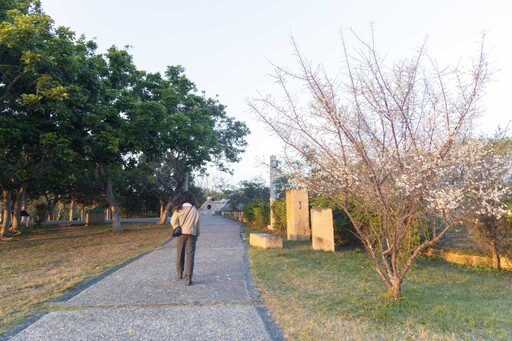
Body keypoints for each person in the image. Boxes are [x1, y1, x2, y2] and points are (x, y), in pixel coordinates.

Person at [170, 191, 200, 286]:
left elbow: (173, 221)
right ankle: (188, 278)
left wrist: (177, 227)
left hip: (181, 234)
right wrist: (197, 234)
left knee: (180, 253)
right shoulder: (195, 210)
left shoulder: (178, 209)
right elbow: (197, 224)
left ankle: (180, 273)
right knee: (190, 256)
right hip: (192, 233)